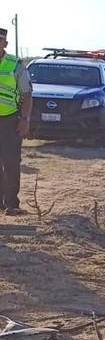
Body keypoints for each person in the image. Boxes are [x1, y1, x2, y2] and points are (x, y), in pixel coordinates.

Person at [0, 25, 32, 215]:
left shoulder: (15, 64)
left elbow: (27, 94)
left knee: (11, 162)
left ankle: (12, 203)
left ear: (5, 43)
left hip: (11, 121)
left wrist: (25, 119)